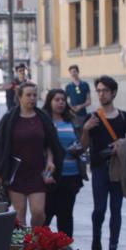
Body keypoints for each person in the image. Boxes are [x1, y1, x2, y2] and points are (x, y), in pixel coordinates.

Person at [81, 75, 126, 250]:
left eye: (105, 90)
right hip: (99, 168)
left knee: (116, 209)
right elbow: (83, 146)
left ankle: (113, 248)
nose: (101, 94)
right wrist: (86, 129)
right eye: (98, 90)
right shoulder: (93, 118)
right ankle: (96, 235)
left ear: (113, 93)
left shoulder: (124, 117)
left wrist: (120, 145)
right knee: (99, 209)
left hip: (118, 169)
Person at [0, 82, 63, 227]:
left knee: (39, 213)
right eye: (28, 95)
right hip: (16, 172)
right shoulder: (9, 119)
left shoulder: (42, 118)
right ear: (20, 97)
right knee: (20, 215)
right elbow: (0, 145)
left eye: (34, 95)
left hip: (37, 172)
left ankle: (35, 237)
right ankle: (23, 241)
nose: (32, 98)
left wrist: (50, 160)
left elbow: (51, 143)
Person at [43, 88, 85, 237]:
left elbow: (80, 143)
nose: (60, 103)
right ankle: (39, 247)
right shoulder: (44, 121)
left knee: (66, 215)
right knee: (45, 215)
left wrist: (77, 147)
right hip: (51, 175)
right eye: (57, 100)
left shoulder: (72, 121)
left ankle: (65, 246)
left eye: (63, 100)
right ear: (50, 102)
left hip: (71, 174)